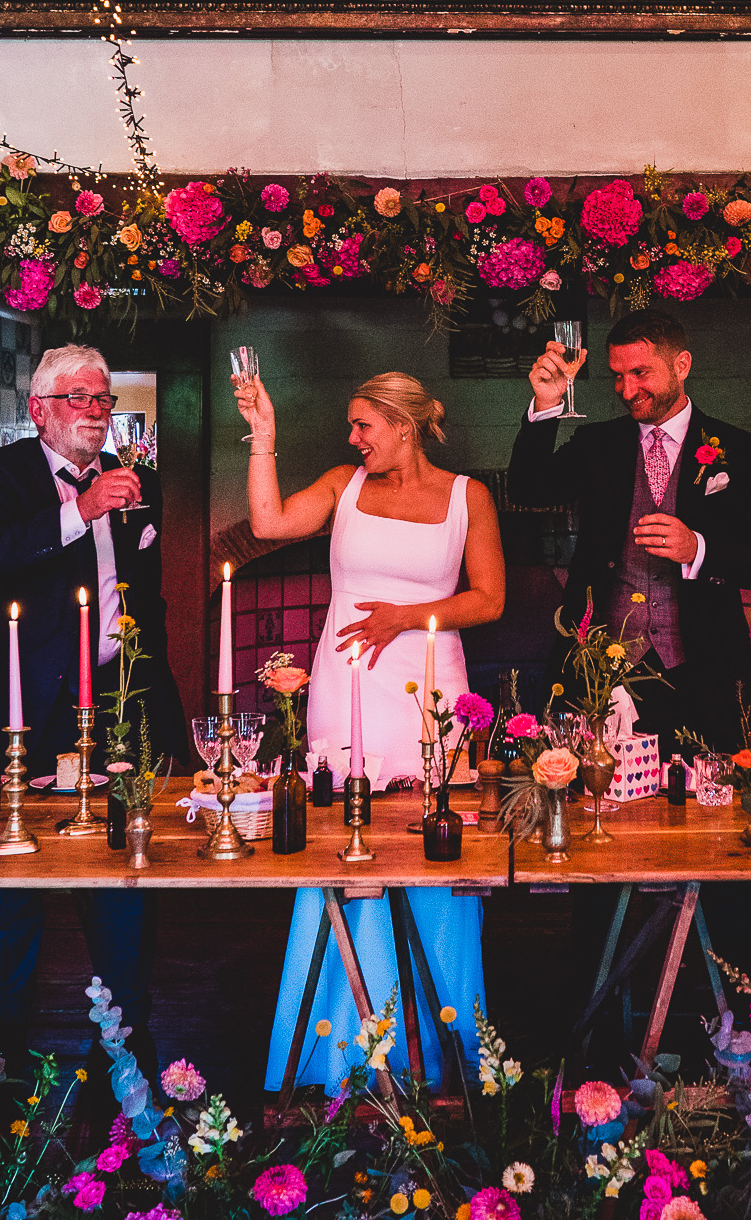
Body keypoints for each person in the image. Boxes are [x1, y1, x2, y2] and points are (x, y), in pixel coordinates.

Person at [234, 369, 505, 1090]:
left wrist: (408, 616)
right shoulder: (341, 485)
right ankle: (342, 1052)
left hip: (430, 689)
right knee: (345, 843)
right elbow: (267, 523)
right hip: (345, 683)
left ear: (405, 425)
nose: (352, 439)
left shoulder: (466, 496)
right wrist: (262, 437)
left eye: (364, 425)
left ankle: (441, 1052)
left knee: (436, 850)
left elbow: (490, 598)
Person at [0, 344, 187, 1065]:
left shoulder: (138, 481)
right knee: (9, 890)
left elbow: (145, 592)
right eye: (80, 397)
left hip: (112, 702)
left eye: (104, 398)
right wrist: (78, 508)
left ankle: (128, 1055)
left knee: (123, 884)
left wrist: (152, 698)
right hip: (20, 704)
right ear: (39, 409)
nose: (97, 411)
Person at [507, 311, 751, 751]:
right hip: (600, 670)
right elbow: (527, 488)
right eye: (617, 376)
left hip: (700, 668)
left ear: (681, 365)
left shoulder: (739, 450)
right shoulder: (597, 445)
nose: (627, 390)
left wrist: (697, 547)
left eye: (640, 373)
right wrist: (545, 405)